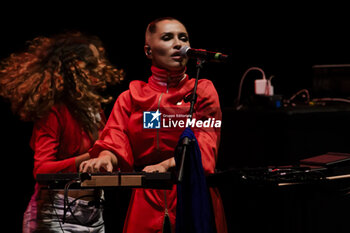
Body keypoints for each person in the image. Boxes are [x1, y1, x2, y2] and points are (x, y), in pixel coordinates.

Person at [80, 17, 227, 233]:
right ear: (148, 51)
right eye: (167, 38)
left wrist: (165, 166)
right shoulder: (131, 97)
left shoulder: (202, 90)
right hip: (146, 195)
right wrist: (104, 158)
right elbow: (115, 137)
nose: (178, 44)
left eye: (183, 38)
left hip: (193, 193)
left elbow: (204, 142)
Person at [0, 31, 124, 232]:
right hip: (57, 213)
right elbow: (41, 170)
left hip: (93, 213)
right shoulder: (54, 111)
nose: (99, 70)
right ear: (72, 68)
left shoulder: (95, 109)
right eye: (91, 64)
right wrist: (89, 157)